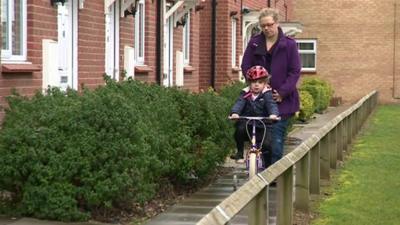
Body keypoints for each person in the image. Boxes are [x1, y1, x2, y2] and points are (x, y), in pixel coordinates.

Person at [241, 7, 301, 168]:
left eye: (269, 24)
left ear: (277, 23)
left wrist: (282, 92)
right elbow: (246, 65)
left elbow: (294, 71)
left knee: (276, 141)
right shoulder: (254, 43)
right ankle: (265, 175)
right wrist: (255, 85)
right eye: (263, 26)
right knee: (262, 142)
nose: (266, 28)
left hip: (282, 102)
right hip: (259, 102)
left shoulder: (289, 45)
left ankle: (273, 179)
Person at [229, 65, 279, 163]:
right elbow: (239, 103)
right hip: (248, 124)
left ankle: (268, 164)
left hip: (264, 125)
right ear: (249, 83)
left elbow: (271, 105)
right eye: (253, 82)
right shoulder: (245, 93)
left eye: (260, 82)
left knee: (267, 145)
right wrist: (235, 113)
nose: (256, 85)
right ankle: (239, 153)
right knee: (239, 130)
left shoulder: (267, 94)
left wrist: (273, 114)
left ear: (265, 83)